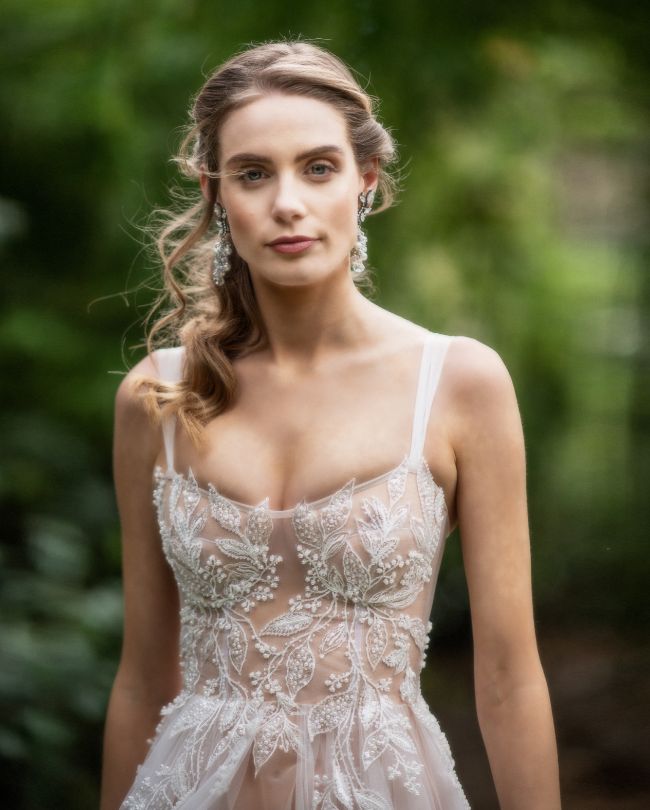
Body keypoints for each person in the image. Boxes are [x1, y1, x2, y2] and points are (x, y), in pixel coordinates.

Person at [100, 39, 561, 810]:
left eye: (318, 168)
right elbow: (143, 677)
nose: (287, 203)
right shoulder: (158, 398)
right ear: (218, 196)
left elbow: (510, 678)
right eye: (253, 173)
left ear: (366, 181)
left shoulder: (457, 384)